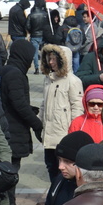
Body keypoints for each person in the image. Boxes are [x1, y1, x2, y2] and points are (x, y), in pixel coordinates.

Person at [0, 40, 42, 205]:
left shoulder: (9, 70)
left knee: (9, 166)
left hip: (10, 125)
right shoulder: (15, 74)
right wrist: (36, 123)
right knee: (11, 169)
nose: (32, 61)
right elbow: (19, 105)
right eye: (31, 56)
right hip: (13, 128)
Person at [40, 43, 83, 177]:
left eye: (54, 59)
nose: (51, 62)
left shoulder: (73, 81)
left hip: (63, 133)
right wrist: (39, 123)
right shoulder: (48, 80)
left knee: (62, 170)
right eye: (49, 58)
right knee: (50, 166)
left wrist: (73, 133)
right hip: (48, 133)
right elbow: (44, 104)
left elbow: (77, 108)